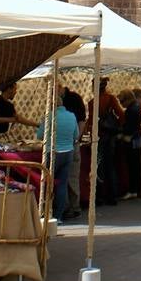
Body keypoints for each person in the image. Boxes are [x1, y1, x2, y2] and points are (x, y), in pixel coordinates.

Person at [36, 88, 79, 223]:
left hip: (52, 153)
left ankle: (46, 213)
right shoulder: (72, 116)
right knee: (62, 184)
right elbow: (76, 136)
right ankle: (59, 216)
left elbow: (40, 135)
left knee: (48, 183)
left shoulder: (49, 116)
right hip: (68, 153)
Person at [61, 88, 88, 221]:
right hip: (71, 145)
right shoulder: (71, 116)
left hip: (62, 148)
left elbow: (40, 134)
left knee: (63, 179)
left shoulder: (53, 115)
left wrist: (76, 138)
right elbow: (82, 120)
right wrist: (77, 138)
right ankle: (72, 207)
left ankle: (67, 207)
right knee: (71, 177)